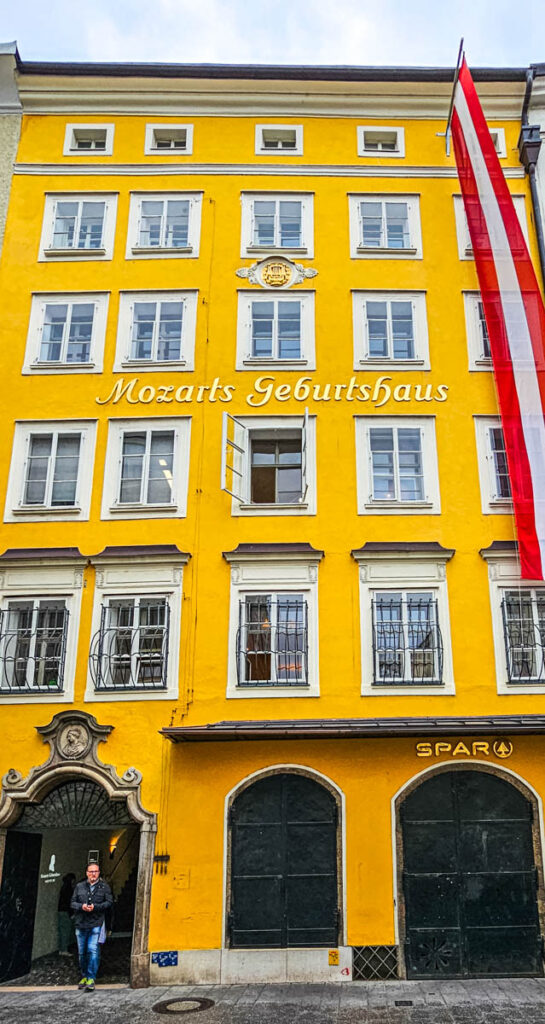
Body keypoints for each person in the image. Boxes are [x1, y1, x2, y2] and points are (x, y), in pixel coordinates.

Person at [71, 861, 113, 992]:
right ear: (87, 873)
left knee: (92, 950)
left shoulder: (104, 887)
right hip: (81, 923)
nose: (93, 874)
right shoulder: (79, 887)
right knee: (82, 953)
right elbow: (72, 903)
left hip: (96, 922)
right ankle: (84, 975)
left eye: (95, 872)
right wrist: (81, 906)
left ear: (99, 873)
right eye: (91, 872)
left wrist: (96, 907)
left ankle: (91, 978)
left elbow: (109, 903)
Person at [57, 872, 76, 956]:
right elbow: (69, 903)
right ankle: (64, 949)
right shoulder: (69, 889)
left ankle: (62, 949)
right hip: (66, 912)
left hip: (61, 911)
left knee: (62, 931)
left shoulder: (64, 888)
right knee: (66, 931)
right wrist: (71, 913)